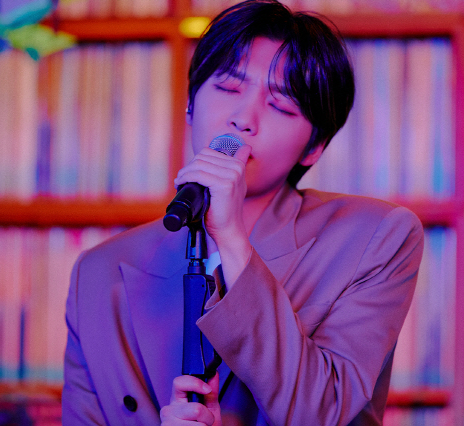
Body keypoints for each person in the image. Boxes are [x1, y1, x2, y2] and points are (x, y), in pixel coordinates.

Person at [62, 1, 424, 425]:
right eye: (229, 88)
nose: (243, 120)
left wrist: (232, 240)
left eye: (281, 106)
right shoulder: (98, 272)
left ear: (313, 147)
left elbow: (320, 413)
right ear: (190, 104)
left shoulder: (375, 237)